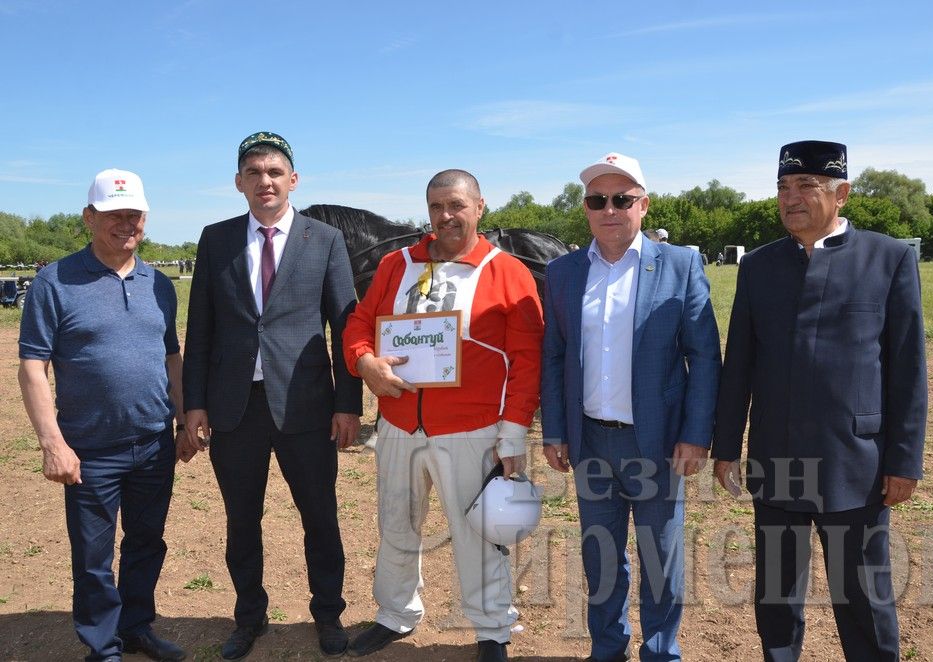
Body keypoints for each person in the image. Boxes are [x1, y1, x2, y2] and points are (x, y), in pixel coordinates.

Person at [712, 140, 927, 661]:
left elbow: (907, 370)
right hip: (778, 458)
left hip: (856, 464)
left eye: (806, 186)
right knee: (777, 597)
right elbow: (738, 363)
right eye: (784, 187)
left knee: (863, 598)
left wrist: (904, 461)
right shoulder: (760, 266)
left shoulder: (888, 258)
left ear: (842, 193)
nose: (791, 198)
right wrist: (725, 446)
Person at [342, 169, 542, 662]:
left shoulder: (507, 271)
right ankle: (395, 614)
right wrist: (365, 362)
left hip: (472, 430)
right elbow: (359, 323)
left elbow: (527, 359)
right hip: (398, 425)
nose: (446, 216)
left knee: (478, 534)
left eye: (456, 205)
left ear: (479, 207)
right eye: (436, 207)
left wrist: (513, 431)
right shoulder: (395, 264)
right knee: (396, 524)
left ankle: (493, 629)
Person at [182, 132, 363, 659]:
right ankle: (250, 616)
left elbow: (345, 326)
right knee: (242, 520)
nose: (265, 181)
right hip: (234, 408)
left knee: (320, 517)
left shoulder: (324, 239)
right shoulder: (215, 240)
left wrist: (348, 404)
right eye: (254, 172)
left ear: (293, 180)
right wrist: (194, 403)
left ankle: (328, 614)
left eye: (275, 172)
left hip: (306, 407)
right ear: (239, 182)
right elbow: (202, 329)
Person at [540, 153, 722, 661]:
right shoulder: (563, 273)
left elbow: (704, 356)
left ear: (643, 205)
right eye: (599, 200)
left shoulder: (680, 264)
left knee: (661, 556)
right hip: (591, 439)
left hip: (658, 440)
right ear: (586, 209)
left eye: (622, 199)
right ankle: (608, 647)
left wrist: (696, 434)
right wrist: (554, 430)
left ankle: (661, 650)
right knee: (600, 555)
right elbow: (554, 356)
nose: (610, 209)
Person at [18, 169, 187, 662]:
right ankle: (102, 645)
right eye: (113, 213)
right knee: (93, 558)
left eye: (133, 214)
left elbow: (171, 357)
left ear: (145, 218)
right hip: (89, 448)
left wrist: (181, 421)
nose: (125, 223)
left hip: (153, 443)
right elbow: (33, 366)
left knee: (146, 542)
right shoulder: (56, 281)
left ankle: (136, 627)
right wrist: (53, 443)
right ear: (89, 216)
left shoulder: (158, 282)